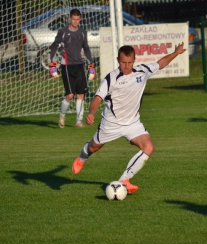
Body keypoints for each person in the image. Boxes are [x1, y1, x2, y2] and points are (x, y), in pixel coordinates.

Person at [72, 42, 186, 194]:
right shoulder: (111, 78)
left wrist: (176, 52)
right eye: (123, 62)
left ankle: (124, 179)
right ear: (118, 60)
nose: (126, 66)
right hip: (111, 123)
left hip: (132, 122)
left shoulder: (142, 71)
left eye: (129, 63)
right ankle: (82, 157)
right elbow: (97, 98)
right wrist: (92, 112)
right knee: (94, 147)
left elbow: (160, 64)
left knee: (149, 147)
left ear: (134, 60)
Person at [50, 8, 96, 128]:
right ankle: (62, 115)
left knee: (81, 95)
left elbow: (86, 48)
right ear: (70, 19)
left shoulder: (82, 32)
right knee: (70, 95)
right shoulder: (63, 32)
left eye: (77, 19)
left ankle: (78, 122)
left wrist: (91, 65)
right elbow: (54, 46)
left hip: (80, 65)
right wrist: (52, 64)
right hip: (67, 66)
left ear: (80, 19)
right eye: (73, 19)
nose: (75, 21)